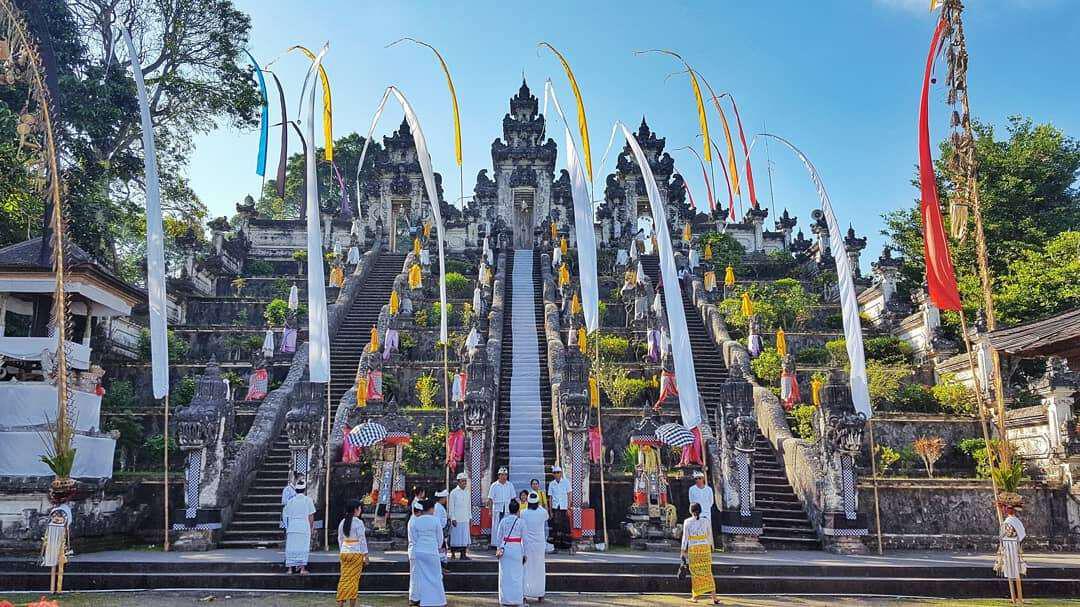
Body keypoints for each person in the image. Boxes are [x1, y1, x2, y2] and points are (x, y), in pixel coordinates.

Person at [407, 498, 447, 607]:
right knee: (436, 575)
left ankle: (423, 600)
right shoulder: (435, 520)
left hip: (419, 551)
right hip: (432, 551)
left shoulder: (415, 520)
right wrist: (437, 547)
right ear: (430, 509)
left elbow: (414, 538)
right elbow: (440, 537)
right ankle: (437, 600)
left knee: (422, 576)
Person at [681, 503, 718, 604]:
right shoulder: (706, 521)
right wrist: (711, 547)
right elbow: (710, 535)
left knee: (695, 574)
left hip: (694, 549)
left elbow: (685, 538)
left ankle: (695, 597)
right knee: (708, 572)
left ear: (690, 511)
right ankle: (714, 597)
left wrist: (683, 550)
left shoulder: (687, 522)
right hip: (705, 548)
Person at [336, 498, 369, 607]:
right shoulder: (358, 523)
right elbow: (362, 539)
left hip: (345, 552)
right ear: (355, 510)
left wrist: (342, 550)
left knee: (344, 578)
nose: (360, 510)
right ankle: (352, 605)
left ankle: (340, 603)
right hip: (356, 553)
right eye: (359, 508)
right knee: (353, 581)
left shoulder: (342, 522)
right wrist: (366, 555)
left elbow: (340, 539)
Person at [996, 492, 1027, 605]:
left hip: (1012, 547)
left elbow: (1020, 535)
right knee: (1011, 571)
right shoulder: (1011, 521)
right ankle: (1014, 598)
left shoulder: (1012, 521)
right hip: (1009, 546)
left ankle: (1018, 598)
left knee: (1016, 571)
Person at [496, 499, 528, 606]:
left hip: (505, 548)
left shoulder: (503, 521)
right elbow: (525, 540)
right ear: (518, 510)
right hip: (516, 549)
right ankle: (517, 600)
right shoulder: (521, 522)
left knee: (505, 576)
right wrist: (525, 553)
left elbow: (498, 537)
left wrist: (499, 548)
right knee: (517, 576)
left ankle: (504, 600)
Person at [282, 480, 316, 575]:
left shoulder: (291, 501)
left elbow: (286, 515)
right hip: (304, 526)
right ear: (304, 490)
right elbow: (311, 516)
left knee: (291, 547)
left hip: (293, 526)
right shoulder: (308, 500)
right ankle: (302, 569)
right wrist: (311, 527)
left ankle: (289, 569)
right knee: (303, 547)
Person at [521, 492, 550, 602]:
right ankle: (540, 594)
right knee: (539, 568)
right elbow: (547, 516)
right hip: (539, 544)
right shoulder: (543, 512)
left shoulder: (523, 513)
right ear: (538, 502)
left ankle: (524, 593)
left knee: (526, 568)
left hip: (527, 544)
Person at [486, 467, 516, 548]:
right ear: (498, 476)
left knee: (507, 526)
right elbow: (490, 499)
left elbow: (513, 498)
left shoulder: (510, 485)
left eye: (505, 475)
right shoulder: (494, 485)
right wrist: (490, 511)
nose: (504, 477)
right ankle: (497, 544)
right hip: (497, 509)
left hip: (507, 508)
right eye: (502, 475)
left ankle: (507, 543)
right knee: (497, 527)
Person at [688, 470, 715, 546]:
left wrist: (705, 508)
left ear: (703, 478)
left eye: (699, 478)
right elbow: (691, 501)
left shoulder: (708, 489)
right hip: (696, 513)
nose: (698, 480)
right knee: (696, 530)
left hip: (706, 513)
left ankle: (709, 546)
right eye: (696, 479)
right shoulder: (692, 489)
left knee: (707, 530)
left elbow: (711, 502)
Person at [546, 466, 570, 552]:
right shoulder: (552, 484)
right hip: (556, 507)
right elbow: (550, 497)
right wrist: (551, 511)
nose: (557, 474)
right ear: (553, 474)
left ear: (561, 473)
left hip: (564, 507)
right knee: (556, 527)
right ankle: (556, 547)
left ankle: (567, 547)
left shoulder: (566, 482)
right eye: (555, 473)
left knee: (565, 527)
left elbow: (569, 495)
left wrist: (568, 507)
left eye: (558, 472)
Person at [448, 473, 472, 560]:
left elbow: (469, 505)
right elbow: (451, 506)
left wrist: (470, 517)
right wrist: (453, 518)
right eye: (462, 481)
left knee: (464, 537)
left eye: (465, 481)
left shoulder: (467, 492)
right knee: (455, 537)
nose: (464, 483)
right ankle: (453, 553)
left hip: (465, 518)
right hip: (456, 519)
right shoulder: (453, 493)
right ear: (458, 482)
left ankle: (463, 554)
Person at [280, 476, 301, 544]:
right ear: (295, 480)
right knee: (288, 528)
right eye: (299, 480)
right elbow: (284, 501)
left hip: (297, 512)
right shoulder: (287, 489)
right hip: (289, 512)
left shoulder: (299, 489)